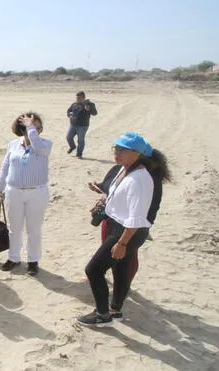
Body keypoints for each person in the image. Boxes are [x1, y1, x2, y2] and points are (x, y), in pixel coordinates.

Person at [76, 132, 168, 327]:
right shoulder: (124, 169)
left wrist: (122, 242)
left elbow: (136, 217)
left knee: (93, 270)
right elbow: (116, 194)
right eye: (115, 148)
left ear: (136, 153)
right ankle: (115, 310)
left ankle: (102, 315)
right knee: (121, 269)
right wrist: (104, 202)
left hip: (128, 231)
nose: (116, 153)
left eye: (122, 150)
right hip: (120, 226)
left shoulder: (140, 179)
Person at [0, 113, 53, 276]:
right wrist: (0, 187)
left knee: (34, 229)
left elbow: (38, 147)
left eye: (35, 126)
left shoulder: (45, 145)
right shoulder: (13, 145)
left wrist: (31, 128)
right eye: (27, 126)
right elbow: (5, 166)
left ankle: (33, 260)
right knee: (14, 228)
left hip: (37, 192)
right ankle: (13, 258)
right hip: (14, 191)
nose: (31, 130)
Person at [66, 91, 97, 159]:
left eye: (79, 98)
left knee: (80, 140)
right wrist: (69, 115)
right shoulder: (74, 104)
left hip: (83, 126)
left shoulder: (90, 104)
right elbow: (69, 111)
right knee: (69, 137)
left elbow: (95, 113)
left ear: (83, 98)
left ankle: (79, 154)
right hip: (73, 124)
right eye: (76, 98)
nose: (77, 99)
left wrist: (89, 110)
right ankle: (72, 147)